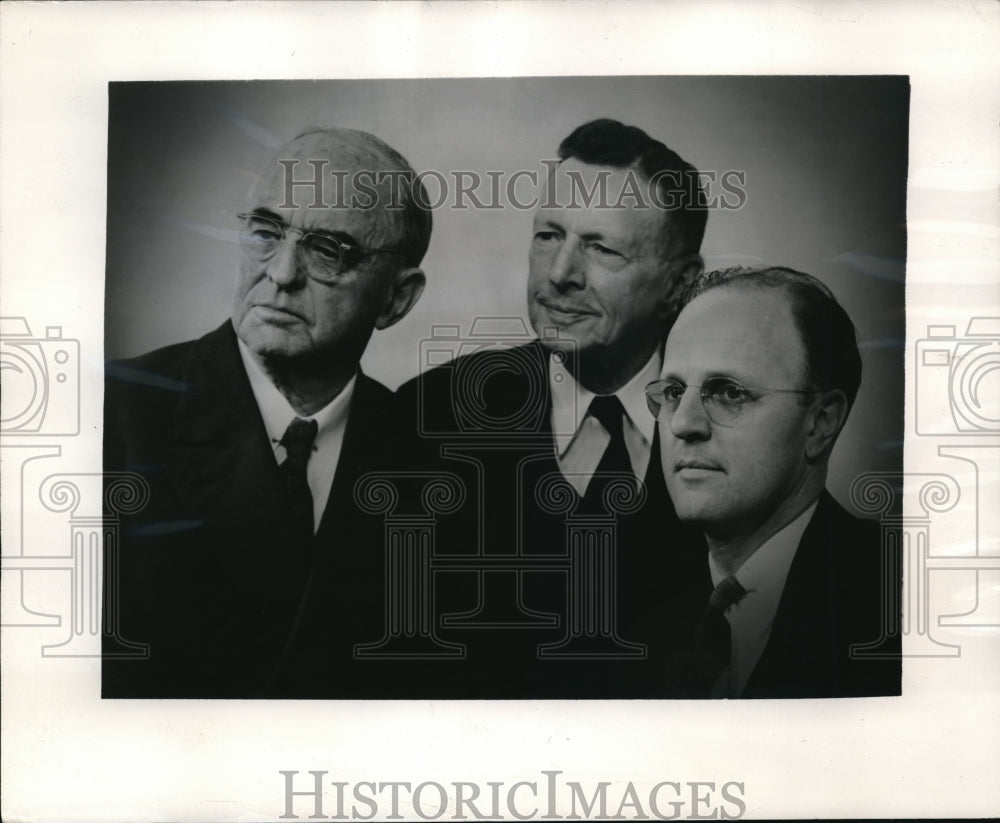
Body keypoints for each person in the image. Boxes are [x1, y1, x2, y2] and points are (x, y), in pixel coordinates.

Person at [103, 128, 430, 698]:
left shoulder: (428, 457)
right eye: (266, 232)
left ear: (397, 299)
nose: (281, 274)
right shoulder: (111, 416)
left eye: (329, 250)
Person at [397, 119, 707, 697]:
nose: (560, 274)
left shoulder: (730, 433)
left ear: (679, 284)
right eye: (548, 236)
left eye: (601, 249)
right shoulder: (427, 417)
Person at [646, 266, 901, 698]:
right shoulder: (636, 603)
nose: (682, 424)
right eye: (673, 392)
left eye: (728, 392)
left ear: (820, 423)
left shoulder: (902, 604)